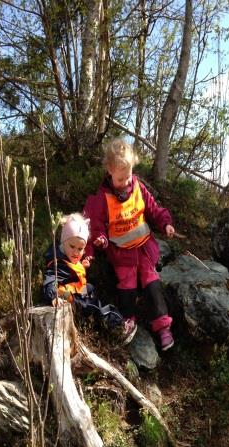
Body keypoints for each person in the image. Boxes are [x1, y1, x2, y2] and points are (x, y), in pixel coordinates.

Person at [83, 138, 176, 351]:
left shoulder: (139, 188)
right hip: (121, 254)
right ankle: (127, 321)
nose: (125, 183)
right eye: (120, 179)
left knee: (151, 281)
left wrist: (166, 224)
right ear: (109, 171)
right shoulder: (101, 200)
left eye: (128, 177)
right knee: (127, 286)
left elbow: (154, 210)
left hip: (144, 249)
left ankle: (163, 327)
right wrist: (99, 242)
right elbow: (93, 227)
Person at [42, 213, 136, 344]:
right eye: (72, 247)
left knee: (91, 289)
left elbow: (71, 273)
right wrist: (53, 296)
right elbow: (50, 281)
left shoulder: (68, 258)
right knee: (94, 306)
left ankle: (96, 323)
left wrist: (81, 266)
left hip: (77, 290)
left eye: (80, 249)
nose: (76, 252)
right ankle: (118, 326)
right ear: (63, 243)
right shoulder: (56, 263)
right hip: (67, 297)